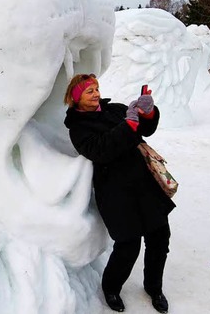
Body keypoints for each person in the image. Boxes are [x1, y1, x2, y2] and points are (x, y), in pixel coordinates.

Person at [63, 74, 175, 313]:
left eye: (96, 88)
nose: (96, 94)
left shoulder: (115, 109)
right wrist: (129, 126)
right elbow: (100, 150)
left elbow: (146, 129)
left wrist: (147, 113)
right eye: (89, 91)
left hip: (145, 184)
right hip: (115, 191)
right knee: (128, 244)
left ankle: (154, 288)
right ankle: (111, 288)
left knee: (159, 238)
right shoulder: (78, 128)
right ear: (76, 98)